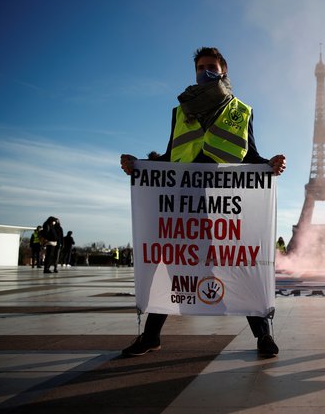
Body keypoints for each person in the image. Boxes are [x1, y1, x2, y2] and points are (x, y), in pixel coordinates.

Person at [120, 46, 286, 358]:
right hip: (186, 201)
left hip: (226, 202)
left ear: (224, 70)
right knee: (177, 263)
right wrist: (140, 165)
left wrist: (269, 164)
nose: (205, 72)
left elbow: (249, 155)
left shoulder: (240, 111)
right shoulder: (180, 111)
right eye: (200, 67)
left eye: (211, 66)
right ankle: (151, 336)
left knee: (238, 262)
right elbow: (172, 156)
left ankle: (263, 336)